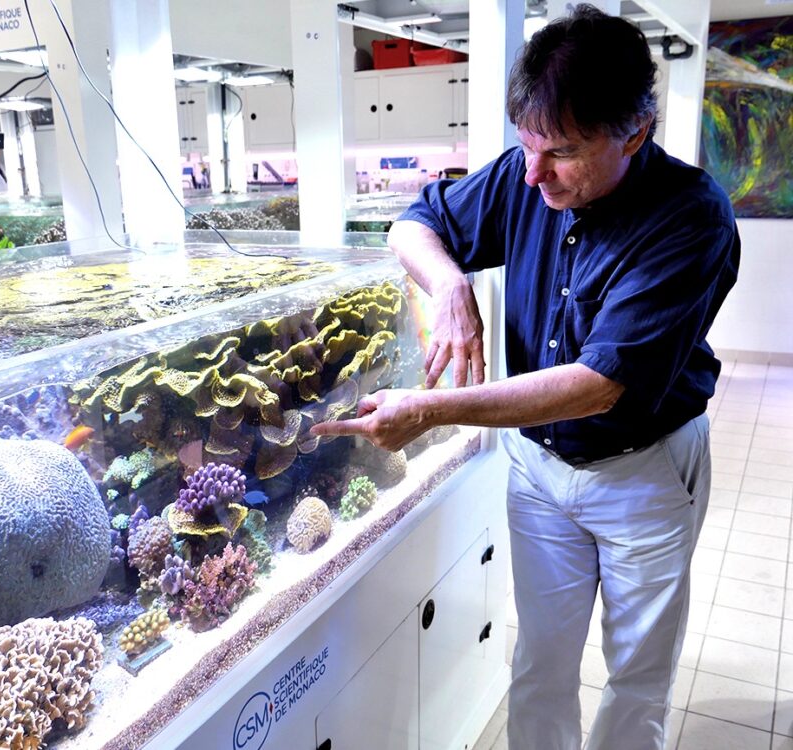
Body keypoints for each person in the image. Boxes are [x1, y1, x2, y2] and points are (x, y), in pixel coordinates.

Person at [312, 5, 740, 750]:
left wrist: (432, 410)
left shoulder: (690, 220)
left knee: (636, 673)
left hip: (643, 472)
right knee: (539, 661)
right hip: (539, 472)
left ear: (635, 135)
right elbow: (411, 224)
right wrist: (451, 287)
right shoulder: (526, 171)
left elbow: (596, 383)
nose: (534, 173)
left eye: (564, 153)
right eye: (527, 147)